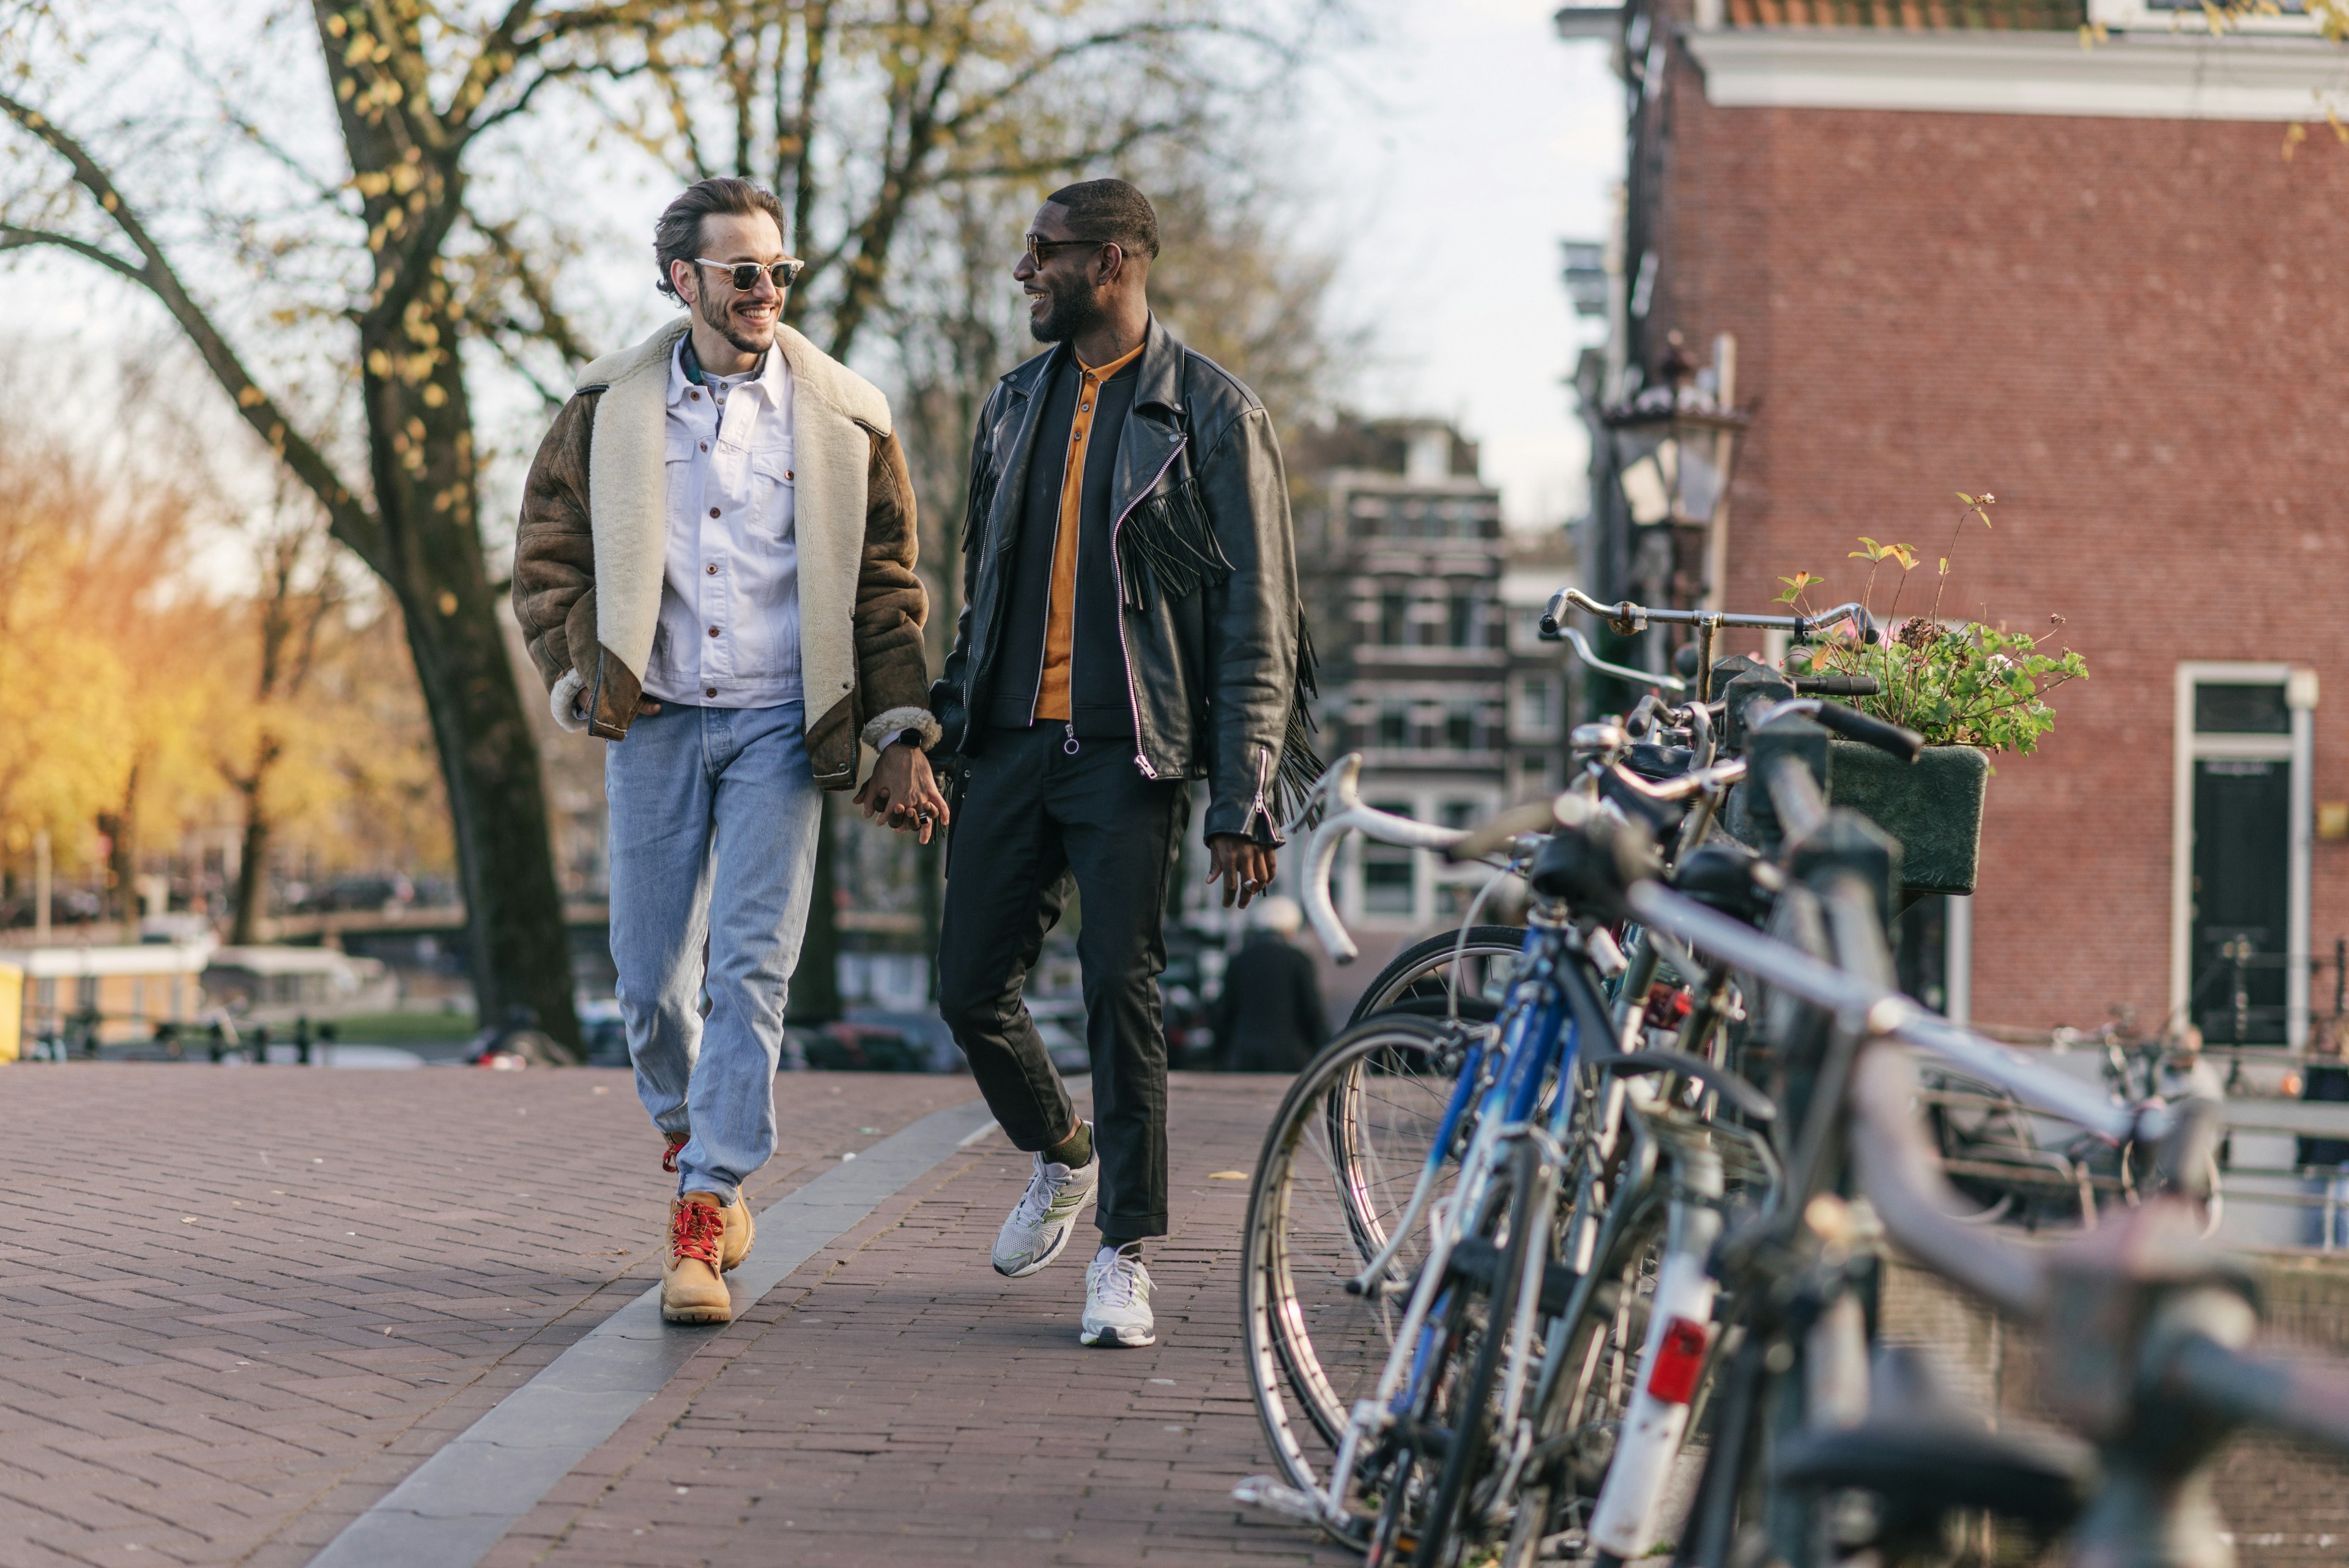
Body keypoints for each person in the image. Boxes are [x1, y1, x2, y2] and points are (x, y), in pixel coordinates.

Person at [512, 176, 948, 1325]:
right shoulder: (606, 407)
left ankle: (707, 1205)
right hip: (653, 719)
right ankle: (688, 1125)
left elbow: (887, 589)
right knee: (649, 982)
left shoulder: (850, 417)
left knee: (751, 966)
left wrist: (898, 729)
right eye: (741, 272)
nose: (766, 291)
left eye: (779, 272)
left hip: (779, 727)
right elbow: (548, 558)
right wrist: (579, 668)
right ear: (685, 281)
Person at [929, 178, 1318, 1348]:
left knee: (1120, 989)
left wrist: (1245, 794)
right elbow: (981, 595)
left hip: (1131, 754)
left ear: (1109, 264)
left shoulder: (1211, 414)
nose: (1022, 273)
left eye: (1041, 253)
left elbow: (1262, 621)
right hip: (1007, 744)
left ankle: (1125, 1253)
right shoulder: (1010, 406)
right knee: (967, 988)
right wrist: (936, 727)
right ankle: (1064, 1154)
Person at [1212, 896, 1329, 1075]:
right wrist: (1326, 1053)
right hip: (1290, 1058)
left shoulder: (1239, 960)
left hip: (1245, 1057)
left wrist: (1218, 1055)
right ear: (1291, 929)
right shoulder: (1299, 960)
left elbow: (1224, 1013)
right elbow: (1312, 1012)